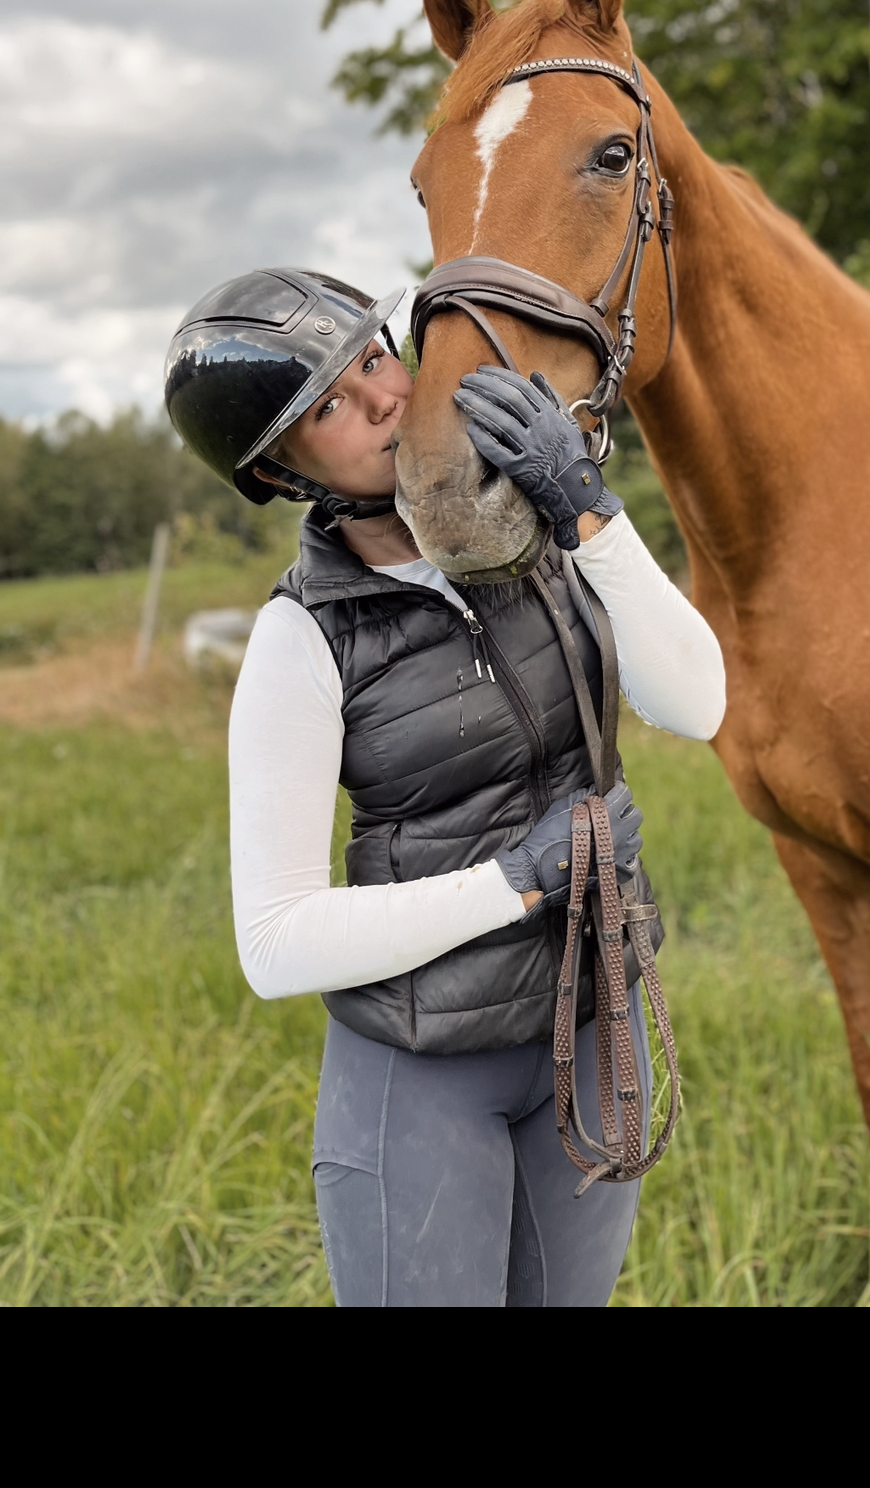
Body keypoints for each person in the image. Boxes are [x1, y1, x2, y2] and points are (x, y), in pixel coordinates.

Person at [164, 265, 725, 1308]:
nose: (383, 396)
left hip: (593, 1025)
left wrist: (589, 511)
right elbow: (274, 941)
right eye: (327, 405)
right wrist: (514, 881)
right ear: (283, 472)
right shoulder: (303, 639)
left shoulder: (539, 539)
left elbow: (696, 704)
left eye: (373, 355)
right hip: (423, 1073)